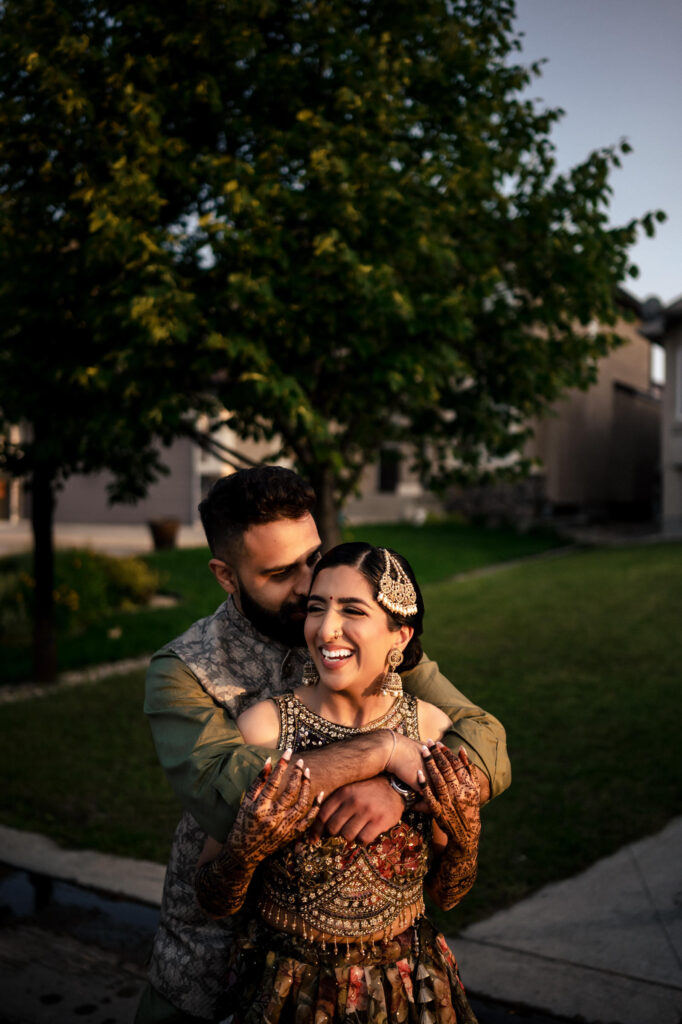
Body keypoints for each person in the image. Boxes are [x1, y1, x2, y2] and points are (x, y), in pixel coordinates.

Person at [138, 467, 509, 1023]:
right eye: (281, 572)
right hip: (213, 960)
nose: (310, 585)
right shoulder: (184, 670)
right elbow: (229, 794)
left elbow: (484, 739)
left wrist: (399, 791)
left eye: (312, 557)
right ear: (226, 575)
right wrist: (378, 752)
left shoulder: (378, 640)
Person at [194, 542, 481, 1023]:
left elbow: (449, 893)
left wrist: (466, 832)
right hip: (288, 992)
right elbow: (212, 898)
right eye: (316, 607)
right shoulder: (265, 729)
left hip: (407, 990)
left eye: (352, 610)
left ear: (400, 636)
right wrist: (245, 848)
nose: (326, 628)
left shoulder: (431, 732)